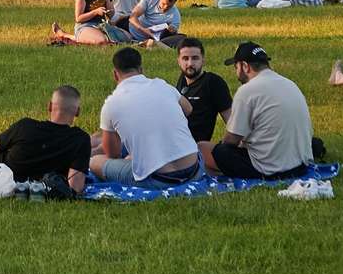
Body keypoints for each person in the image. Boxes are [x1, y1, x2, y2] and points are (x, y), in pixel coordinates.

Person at [202, 42, 314, 179]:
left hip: (270, 169)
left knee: (203, 148)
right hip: (299, 166)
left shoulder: (247, 91)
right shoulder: (290, 84)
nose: (236, 72)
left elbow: (231, 140)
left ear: (245, 66)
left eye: (236, 67)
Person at [89, 47, 201, 185]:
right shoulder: (162, 85)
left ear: (115, 74)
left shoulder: (112, 104)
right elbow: (188, 109)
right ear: (141, 70)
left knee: (95, 162)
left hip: (158, 179)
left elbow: (112, 155)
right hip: (194, 170)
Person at [172, 37, 232, 144]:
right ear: (178, 61)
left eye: (195, 58)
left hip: (196, 149)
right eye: (185, 58)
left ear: (203, 60)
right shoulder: (183, 79)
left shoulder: (213, 82)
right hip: (175, 143)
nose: (190, 63)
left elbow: (231, 121)